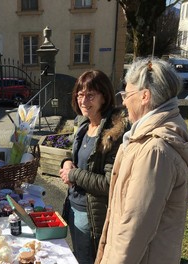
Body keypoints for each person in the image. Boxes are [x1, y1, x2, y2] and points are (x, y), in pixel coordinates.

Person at [95, 58, 188, 264]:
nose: (123, 101)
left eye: (126, 94)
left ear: (144, 96)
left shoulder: (154, 151)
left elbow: (133, 232)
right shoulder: (147, 141)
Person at [59, 70, 129, 263]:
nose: (83, 100)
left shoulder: (112, 135)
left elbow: (109, 183)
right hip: (73, 207)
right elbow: (76, 158)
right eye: (80, 95)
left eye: (90, 95)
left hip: (91, 214)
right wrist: (66, 162)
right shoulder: (84, 126)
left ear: (104, 97)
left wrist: (73, 174)